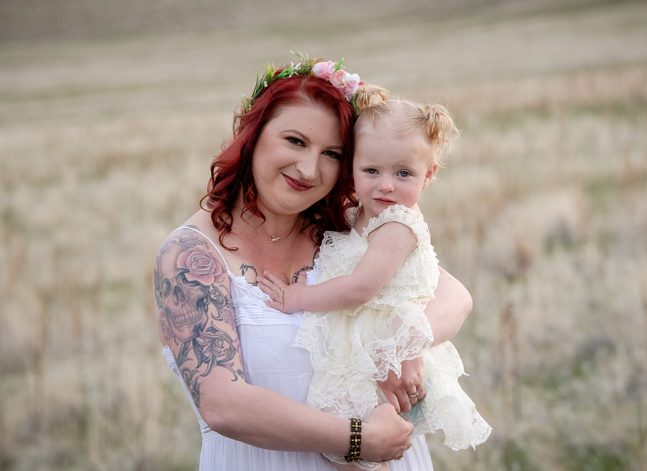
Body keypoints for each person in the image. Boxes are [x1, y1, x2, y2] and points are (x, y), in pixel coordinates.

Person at [153, 54, 474, 470]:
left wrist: (404, 340)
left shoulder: (344, 227)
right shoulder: (190, 257)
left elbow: (454, 295)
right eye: (295, 141)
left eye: (333, 153)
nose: (308, 169)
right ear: (252, 135)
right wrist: (359, 439)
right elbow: (224, 405)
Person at [258, 86, 492, 469]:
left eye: (403, 173)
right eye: (372, 171)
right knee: (342, 446)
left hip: (381, 347)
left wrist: (296, 298)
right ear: (351, 169)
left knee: (361, 448)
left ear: (429, 174)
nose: (386, 184)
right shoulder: (361, 214)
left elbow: (361, 287)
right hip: (363, 343)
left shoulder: (397, 225)